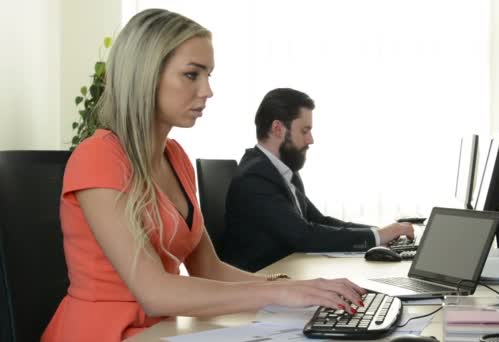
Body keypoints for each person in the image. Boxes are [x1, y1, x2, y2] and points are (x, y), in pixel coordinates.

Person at [42, 9, 365, 342]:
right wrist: (279, 294)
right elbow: (154, 293)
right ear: (146, 75)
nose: (208, 90)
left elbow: (209, 269)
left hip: (162, 330)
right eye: (192, 75)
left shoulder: (175, 156)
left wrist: (302, 289)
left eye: (208, 75)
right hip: (105, 332)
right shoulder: (99, 157)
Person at [221, 88, 414, 272]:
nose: (310, 139)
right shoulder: (255, 176)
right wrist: (378, 236)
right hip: (262, 284)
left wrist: (380, 232)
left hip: (288, 271)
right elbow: (303, 235)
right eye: (304, 131)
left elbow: (319, 221)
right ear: (278, 129)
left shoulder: (281, 170)